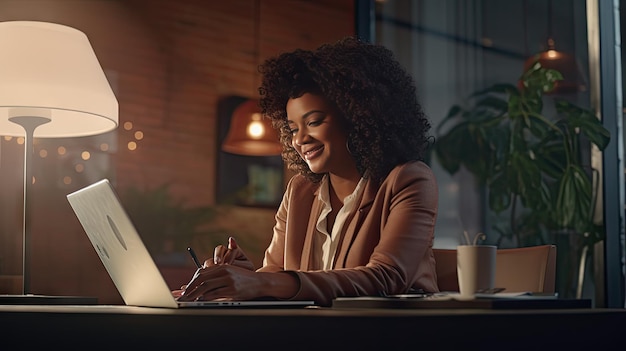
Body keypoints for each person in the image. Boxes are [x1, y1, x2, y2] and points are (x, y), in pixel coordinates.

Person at [175, 36, 439, 307]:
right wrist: (245, 276)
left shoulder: (408, 180)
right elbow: (278, 273)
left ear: (357, 117)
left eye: (314, 122)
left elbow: (387, 277)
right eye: (292, 129)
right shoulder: (301, 190)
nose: (299, 139)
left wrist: (260, 283)